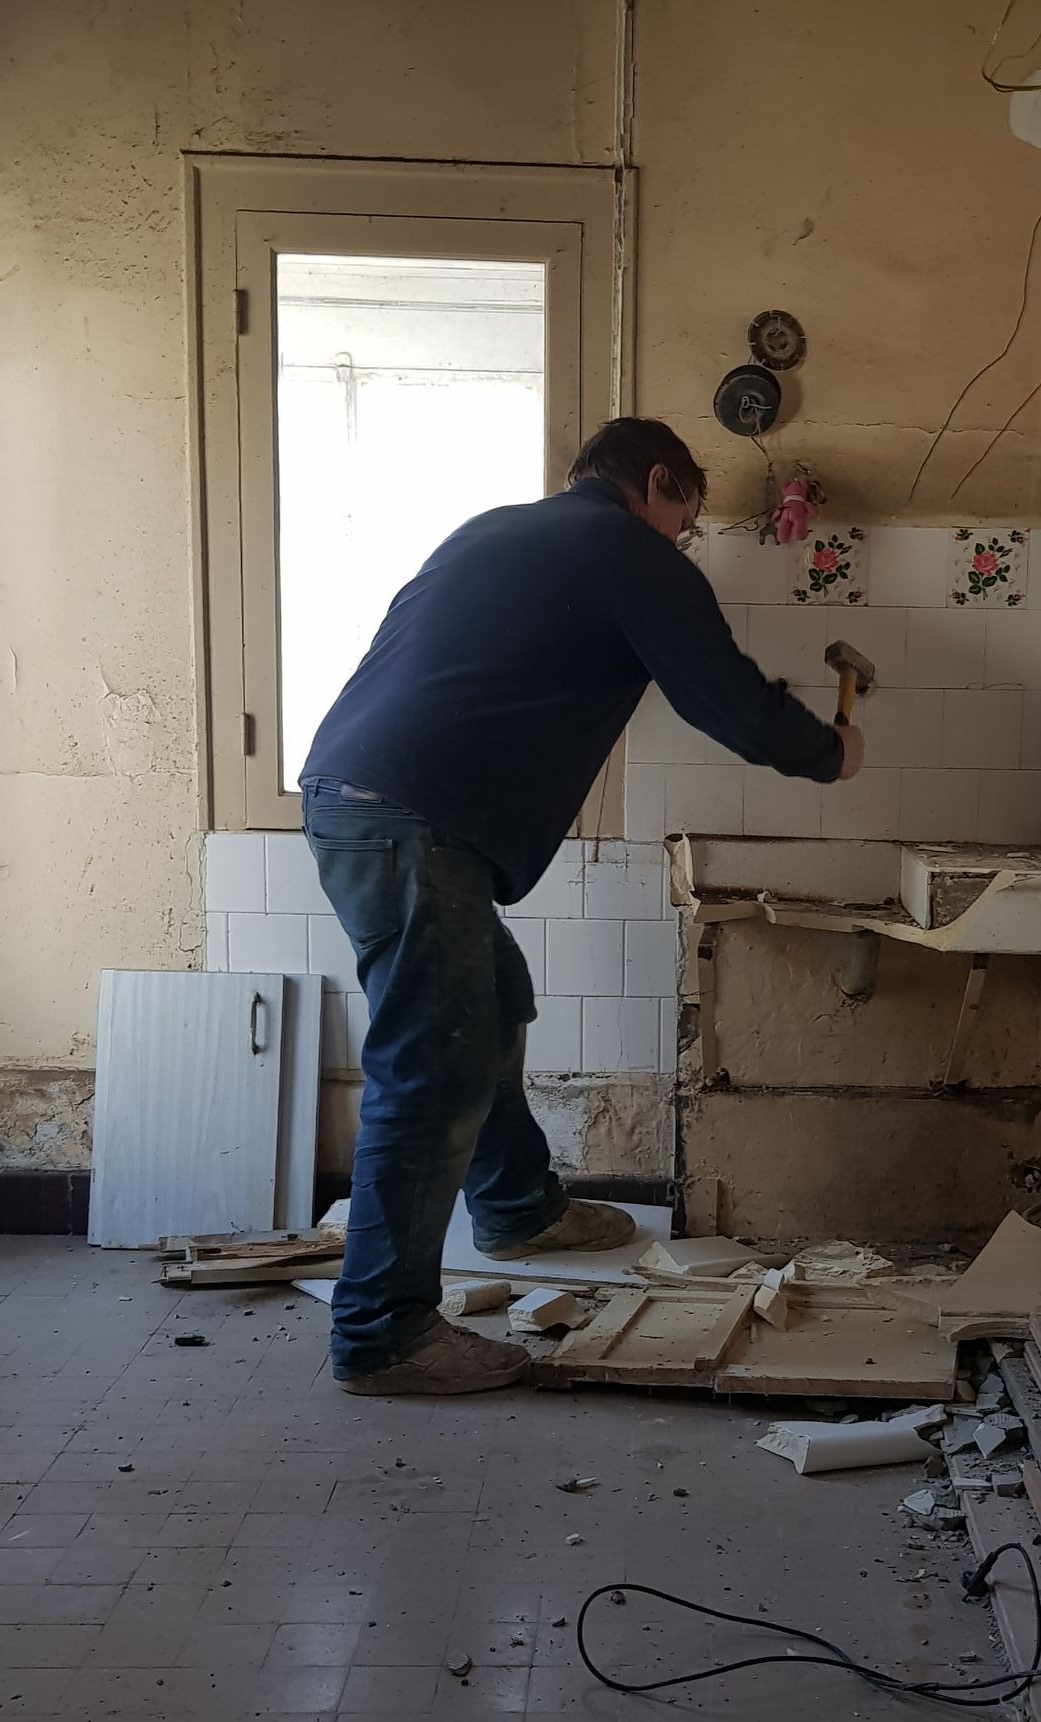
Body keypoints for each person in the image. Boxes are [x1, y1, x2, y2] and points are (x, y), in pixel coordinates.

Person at [299, 418, 863, 1395]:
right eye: (686, 524)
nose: (684, 542)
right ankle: (382, 1334)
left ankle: (517, 1207)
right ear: (657, 483)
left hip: (372, 800)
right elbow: (728, 702)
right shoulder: (625, 550)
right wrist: (832, 751)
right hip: (409, 818)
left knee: (495, 1001)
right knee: (432, 1069)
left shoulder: (503, 530)